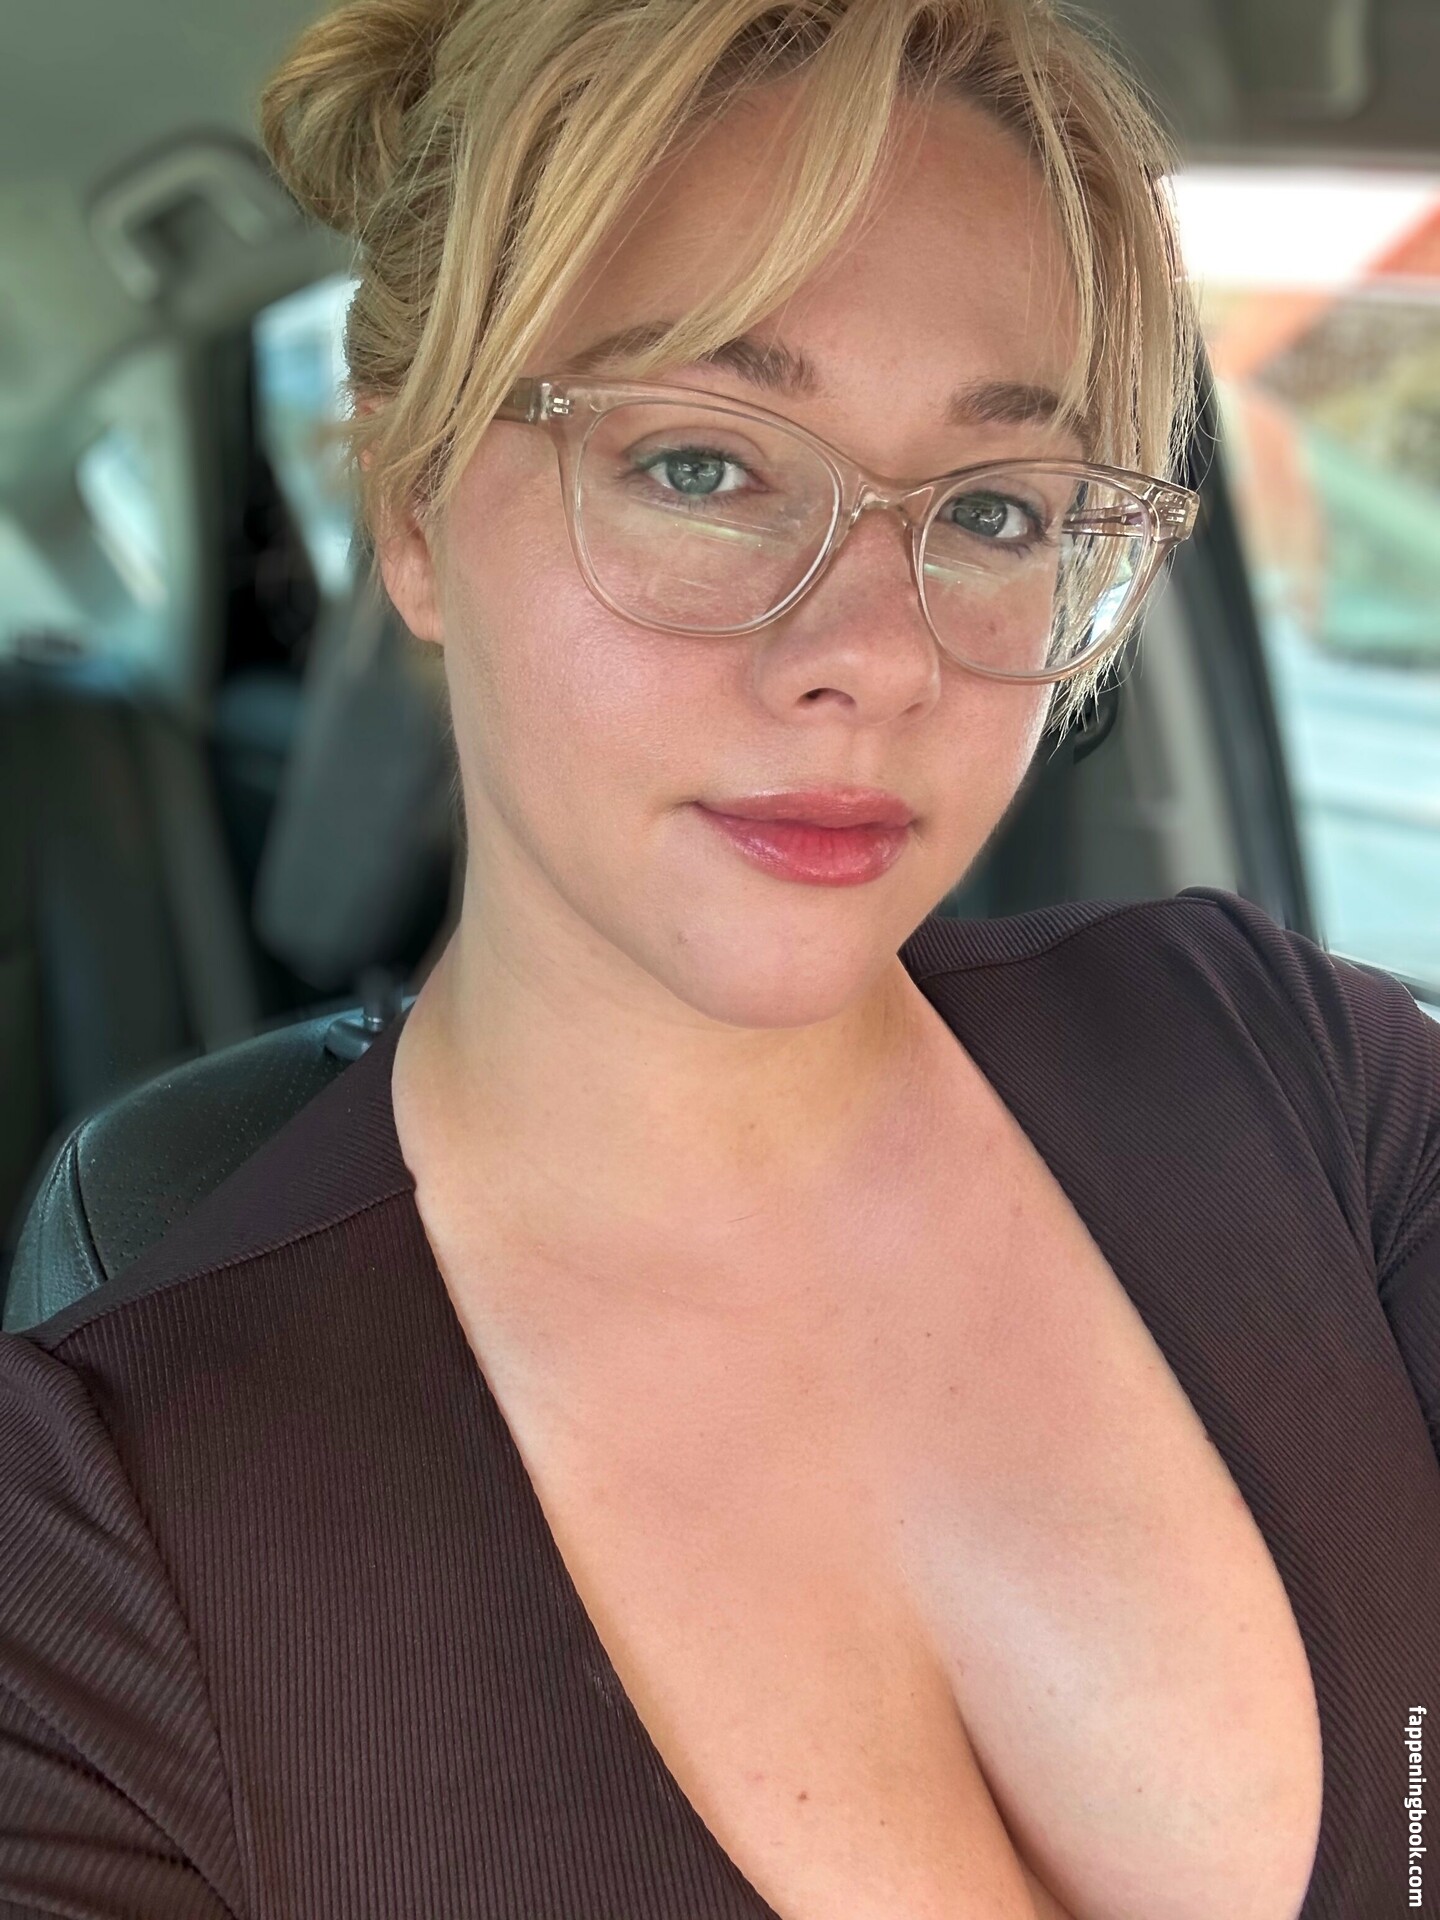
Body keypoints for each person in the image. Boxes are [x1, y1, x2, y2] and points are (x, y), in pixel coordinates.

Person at [1, 1, 1436, 1916]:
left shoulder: (1305, 1073)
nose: (877, 655)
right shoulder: (97, 1532)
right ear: (413, 507)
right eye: (701, 465)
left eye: (993, 509)